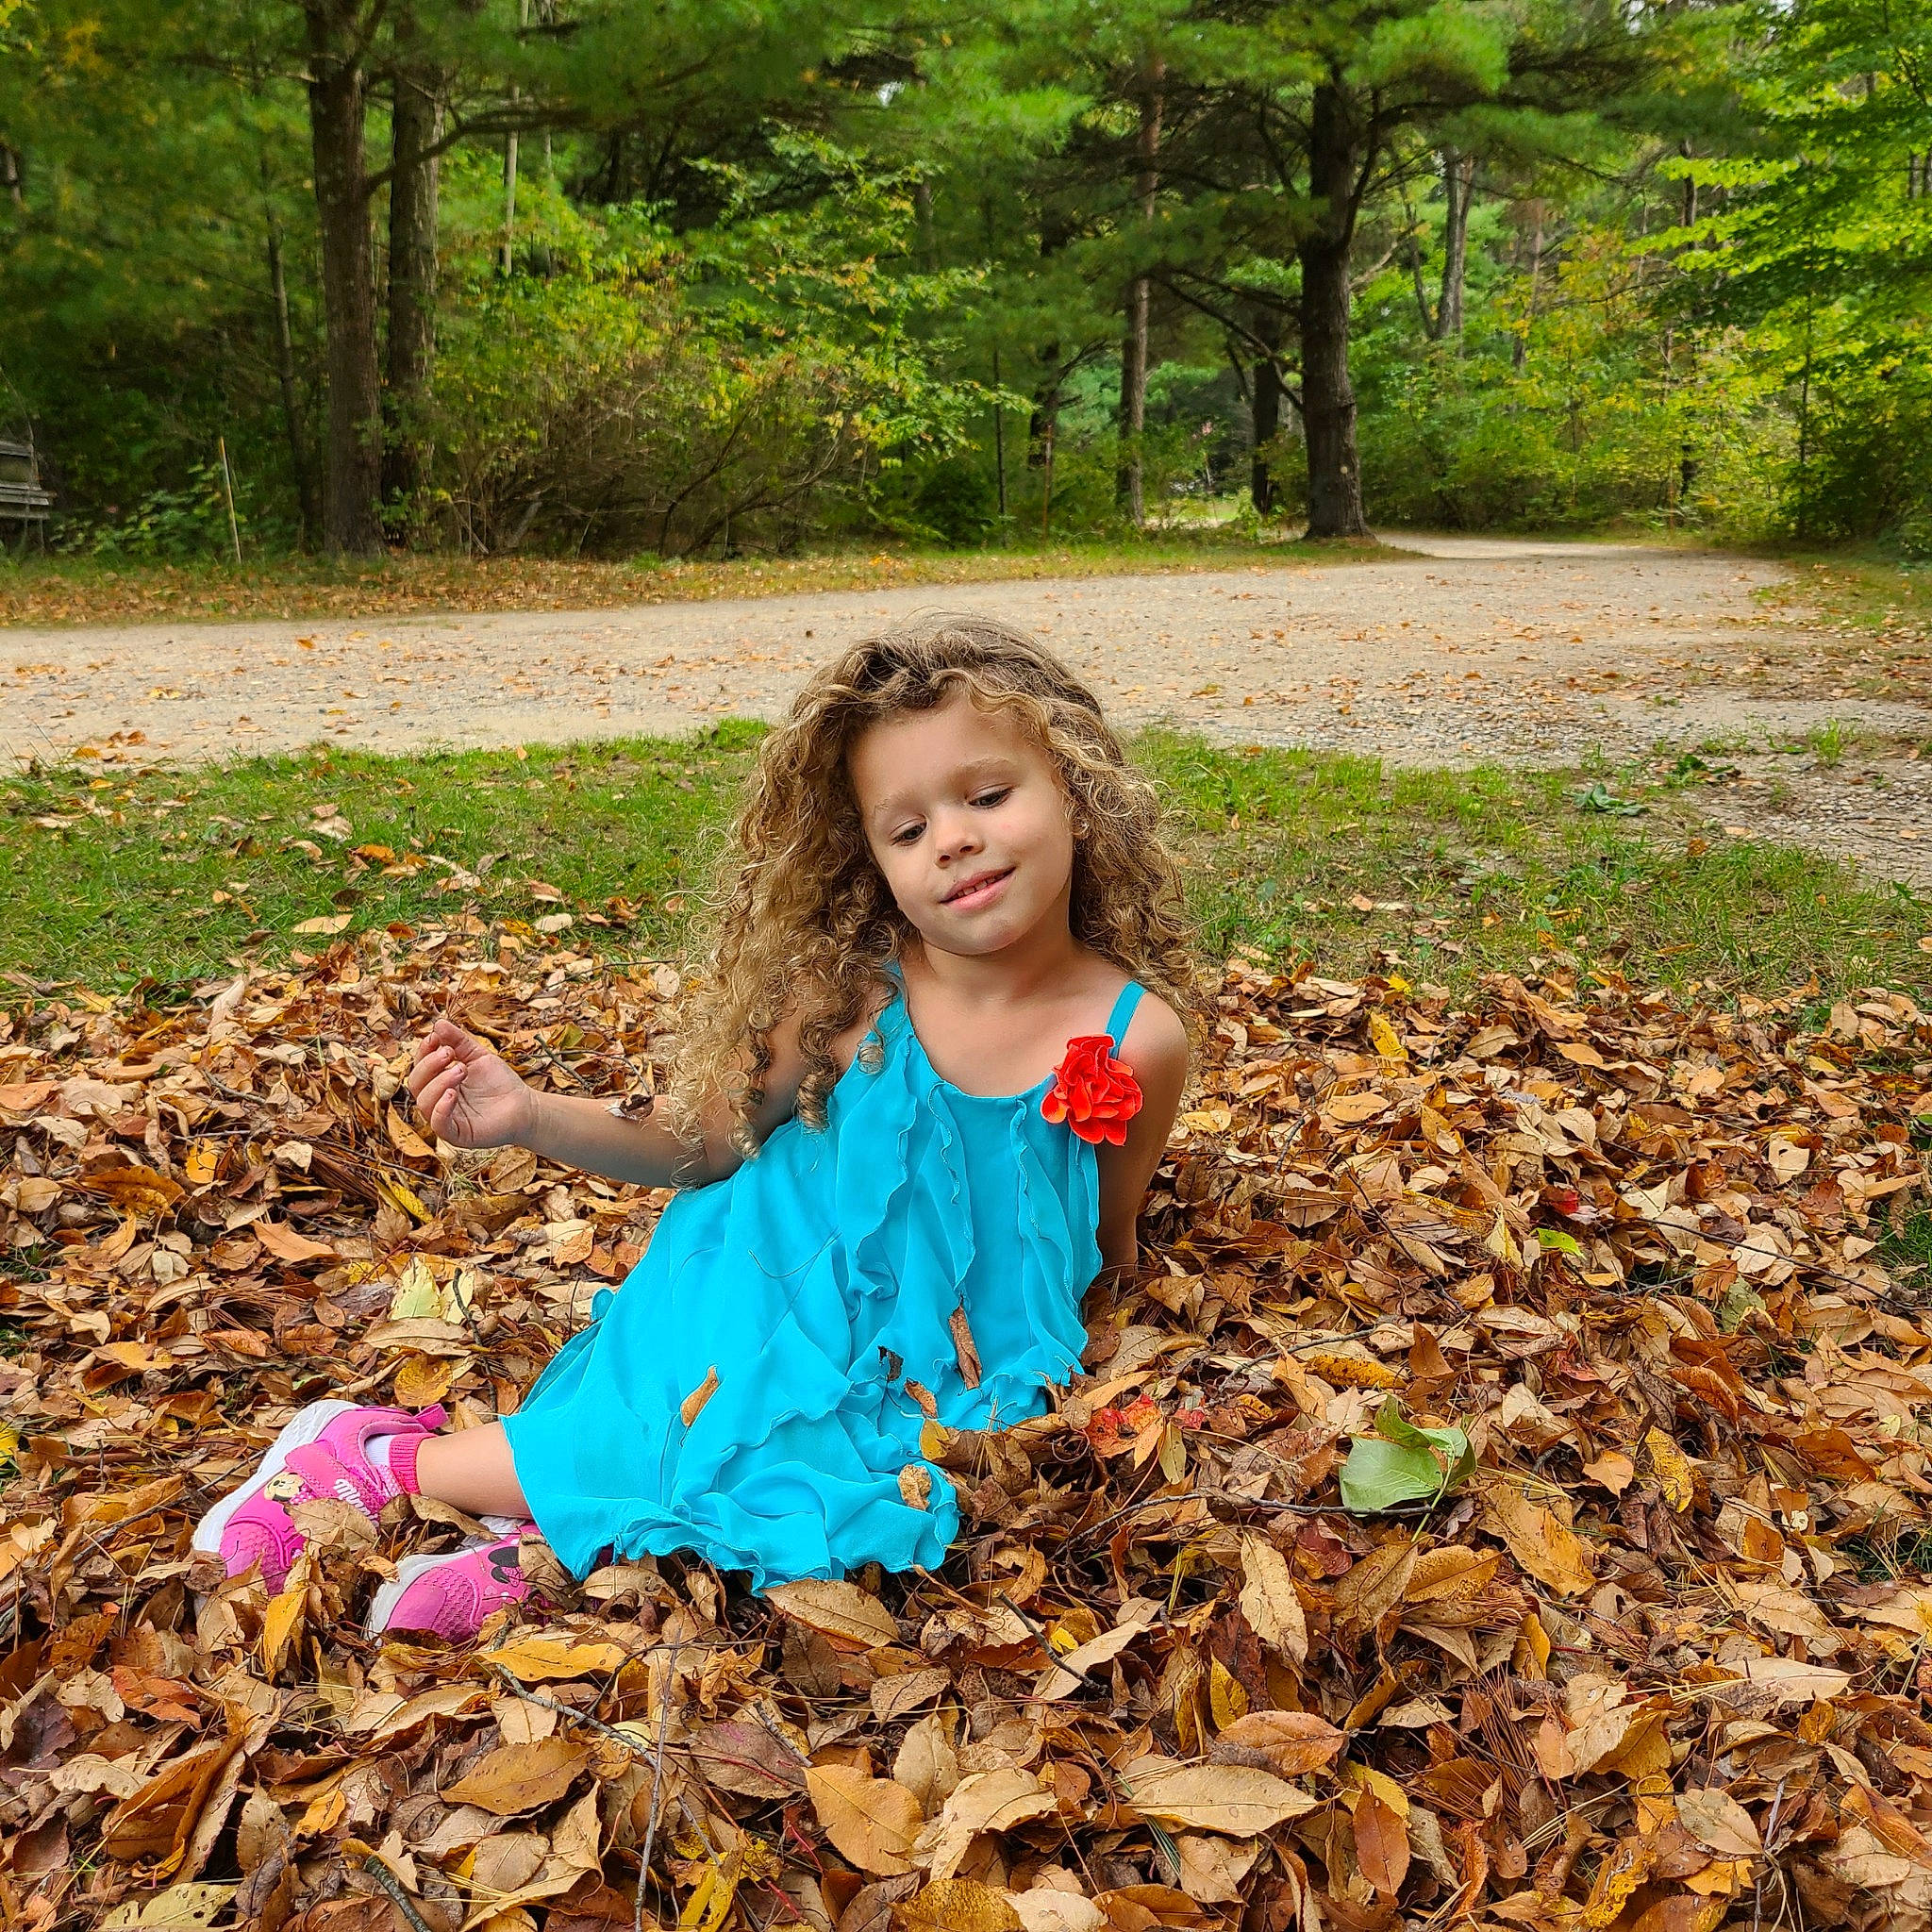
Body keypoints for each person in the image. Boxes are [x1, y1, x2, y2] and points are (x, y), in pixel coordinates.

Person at [192, 616, 1194, 1641]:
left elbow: (1098, 1238)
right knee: (715, 1404)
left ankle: (553, 1541)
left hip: (944, 1357)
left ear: (1075, 789)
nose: (953, 837)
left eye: (987, 795)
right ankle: (376, 1457)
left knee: (866, 1489)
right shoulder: (850, 995)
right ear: (874, 862)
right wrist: (529, 1114)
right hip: (766, 1284)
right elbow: (700, 1145)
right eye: (906, 828)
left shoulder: (1137, 1038)